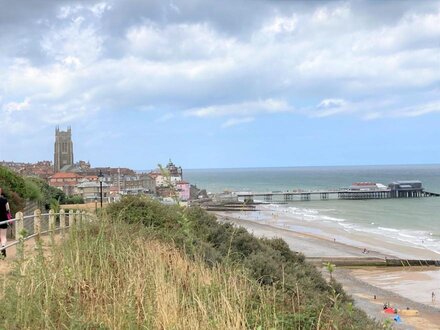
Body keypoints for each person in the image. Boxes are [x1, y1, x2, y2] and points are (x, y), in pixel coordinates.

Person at [0, 187, 11, 258]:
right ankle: (3, 248)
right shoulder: (4, 200)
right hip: (3, 220)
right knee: (3, 236)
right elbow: (8, 210)